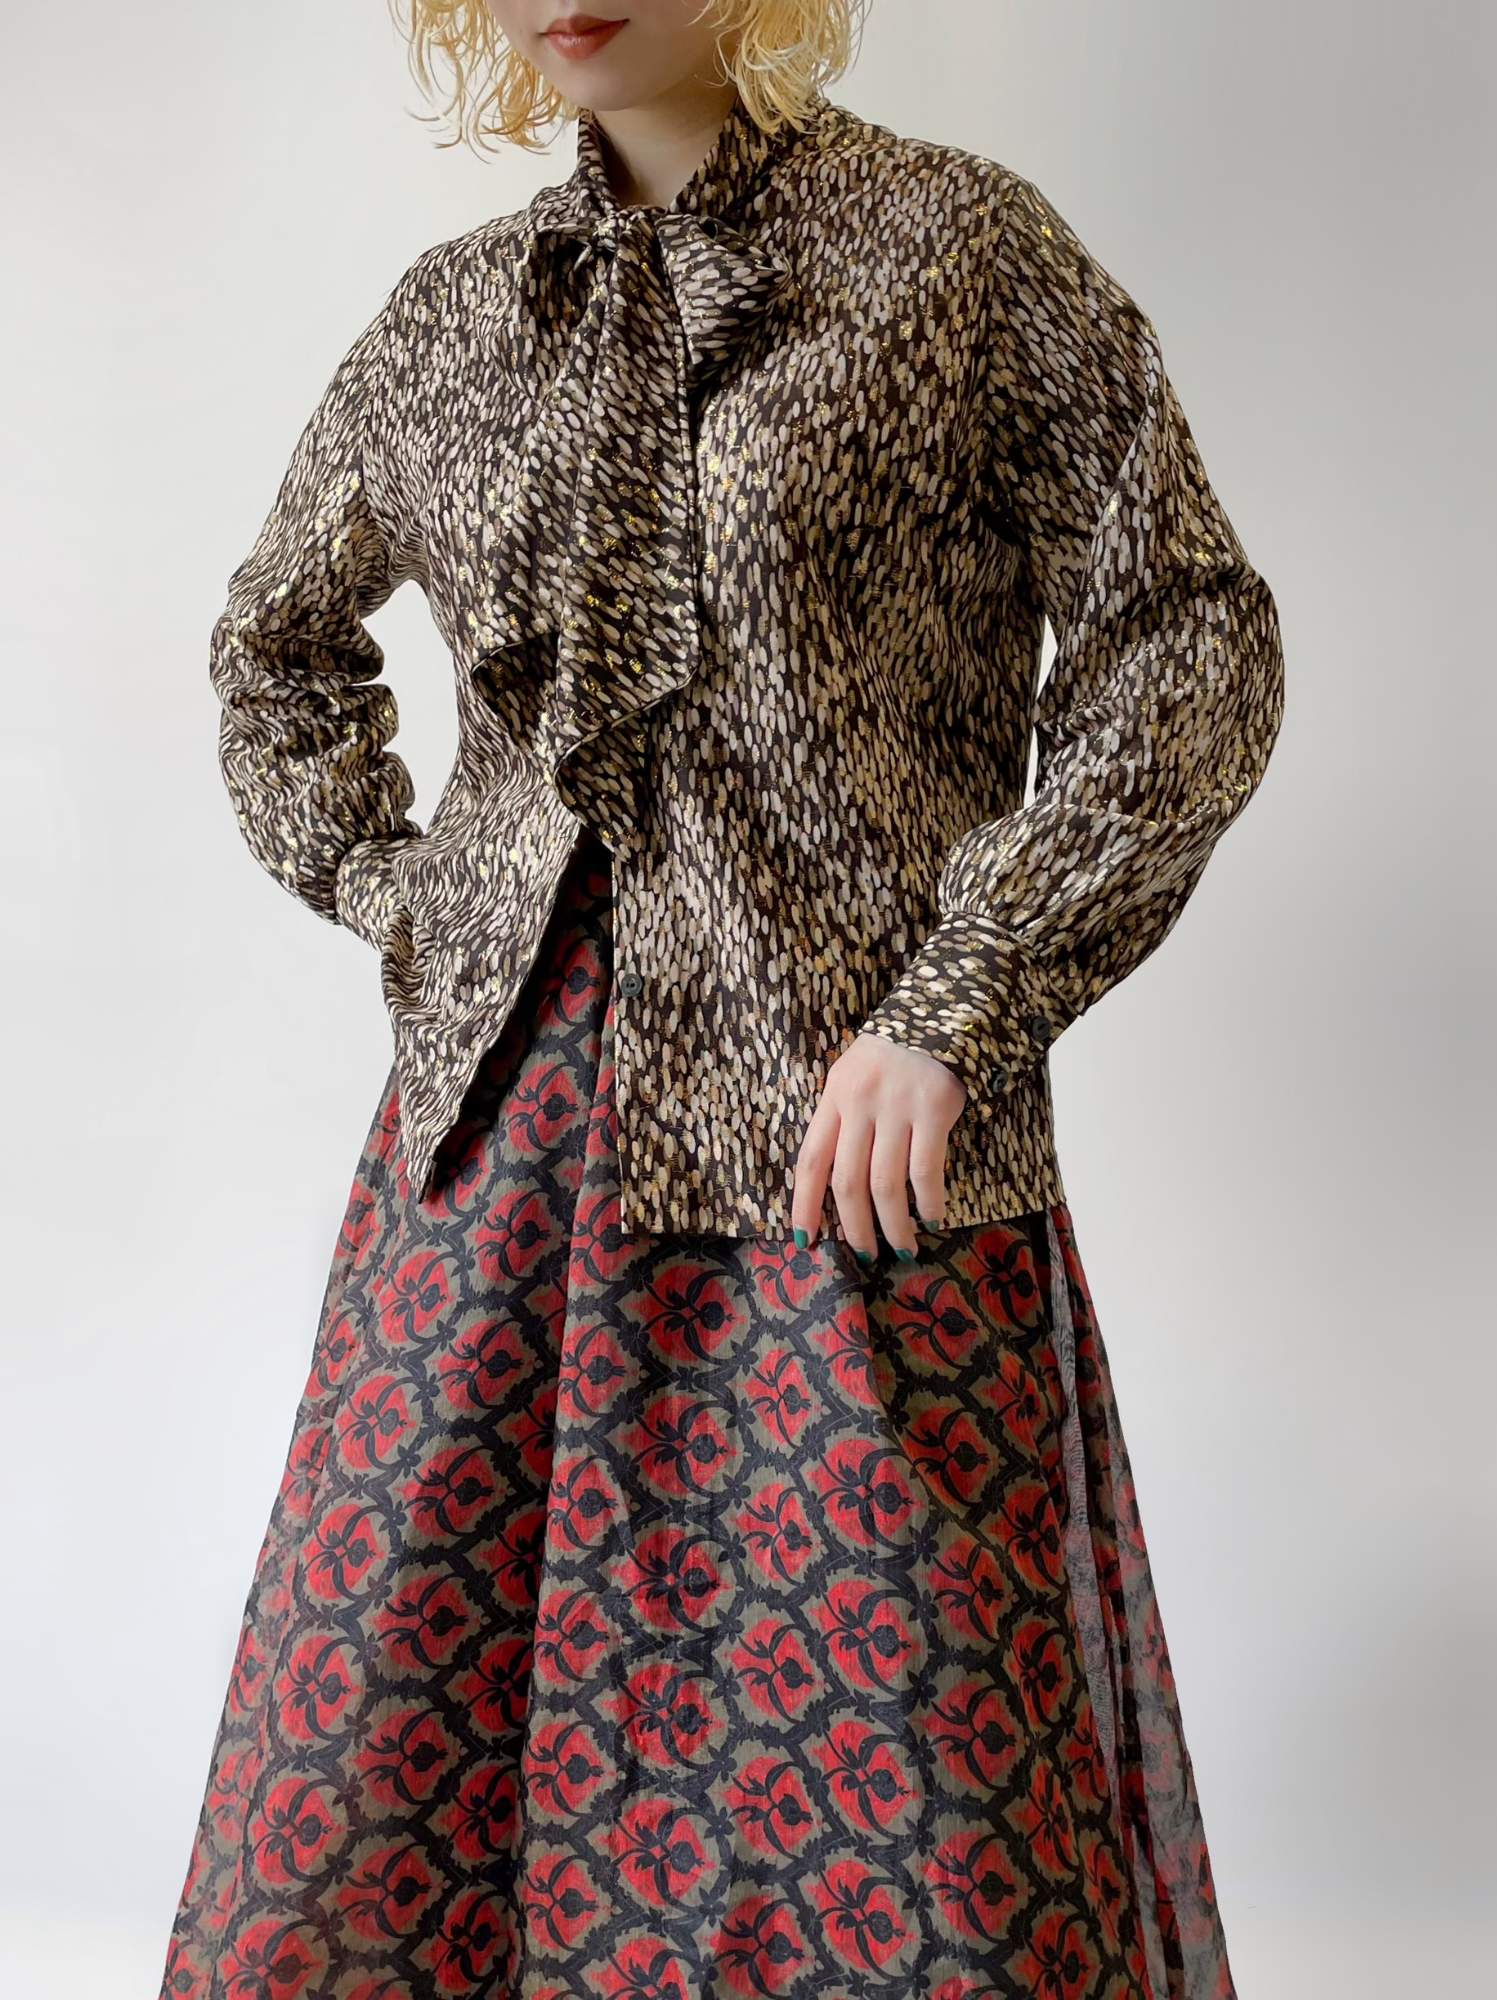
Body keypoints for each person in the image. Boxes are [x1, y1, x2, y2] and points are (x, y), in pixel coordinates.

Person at [160, 4, 1283, 1996]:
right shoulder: (452, 320)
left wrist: (962, 999)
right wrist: (405, 896)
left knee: (900, 1777)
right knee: (369, 1763)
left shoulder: (958, 256)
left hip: (842, 1141)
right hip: (498, 1160)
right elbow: (275, 649)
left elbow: (1185, 646)